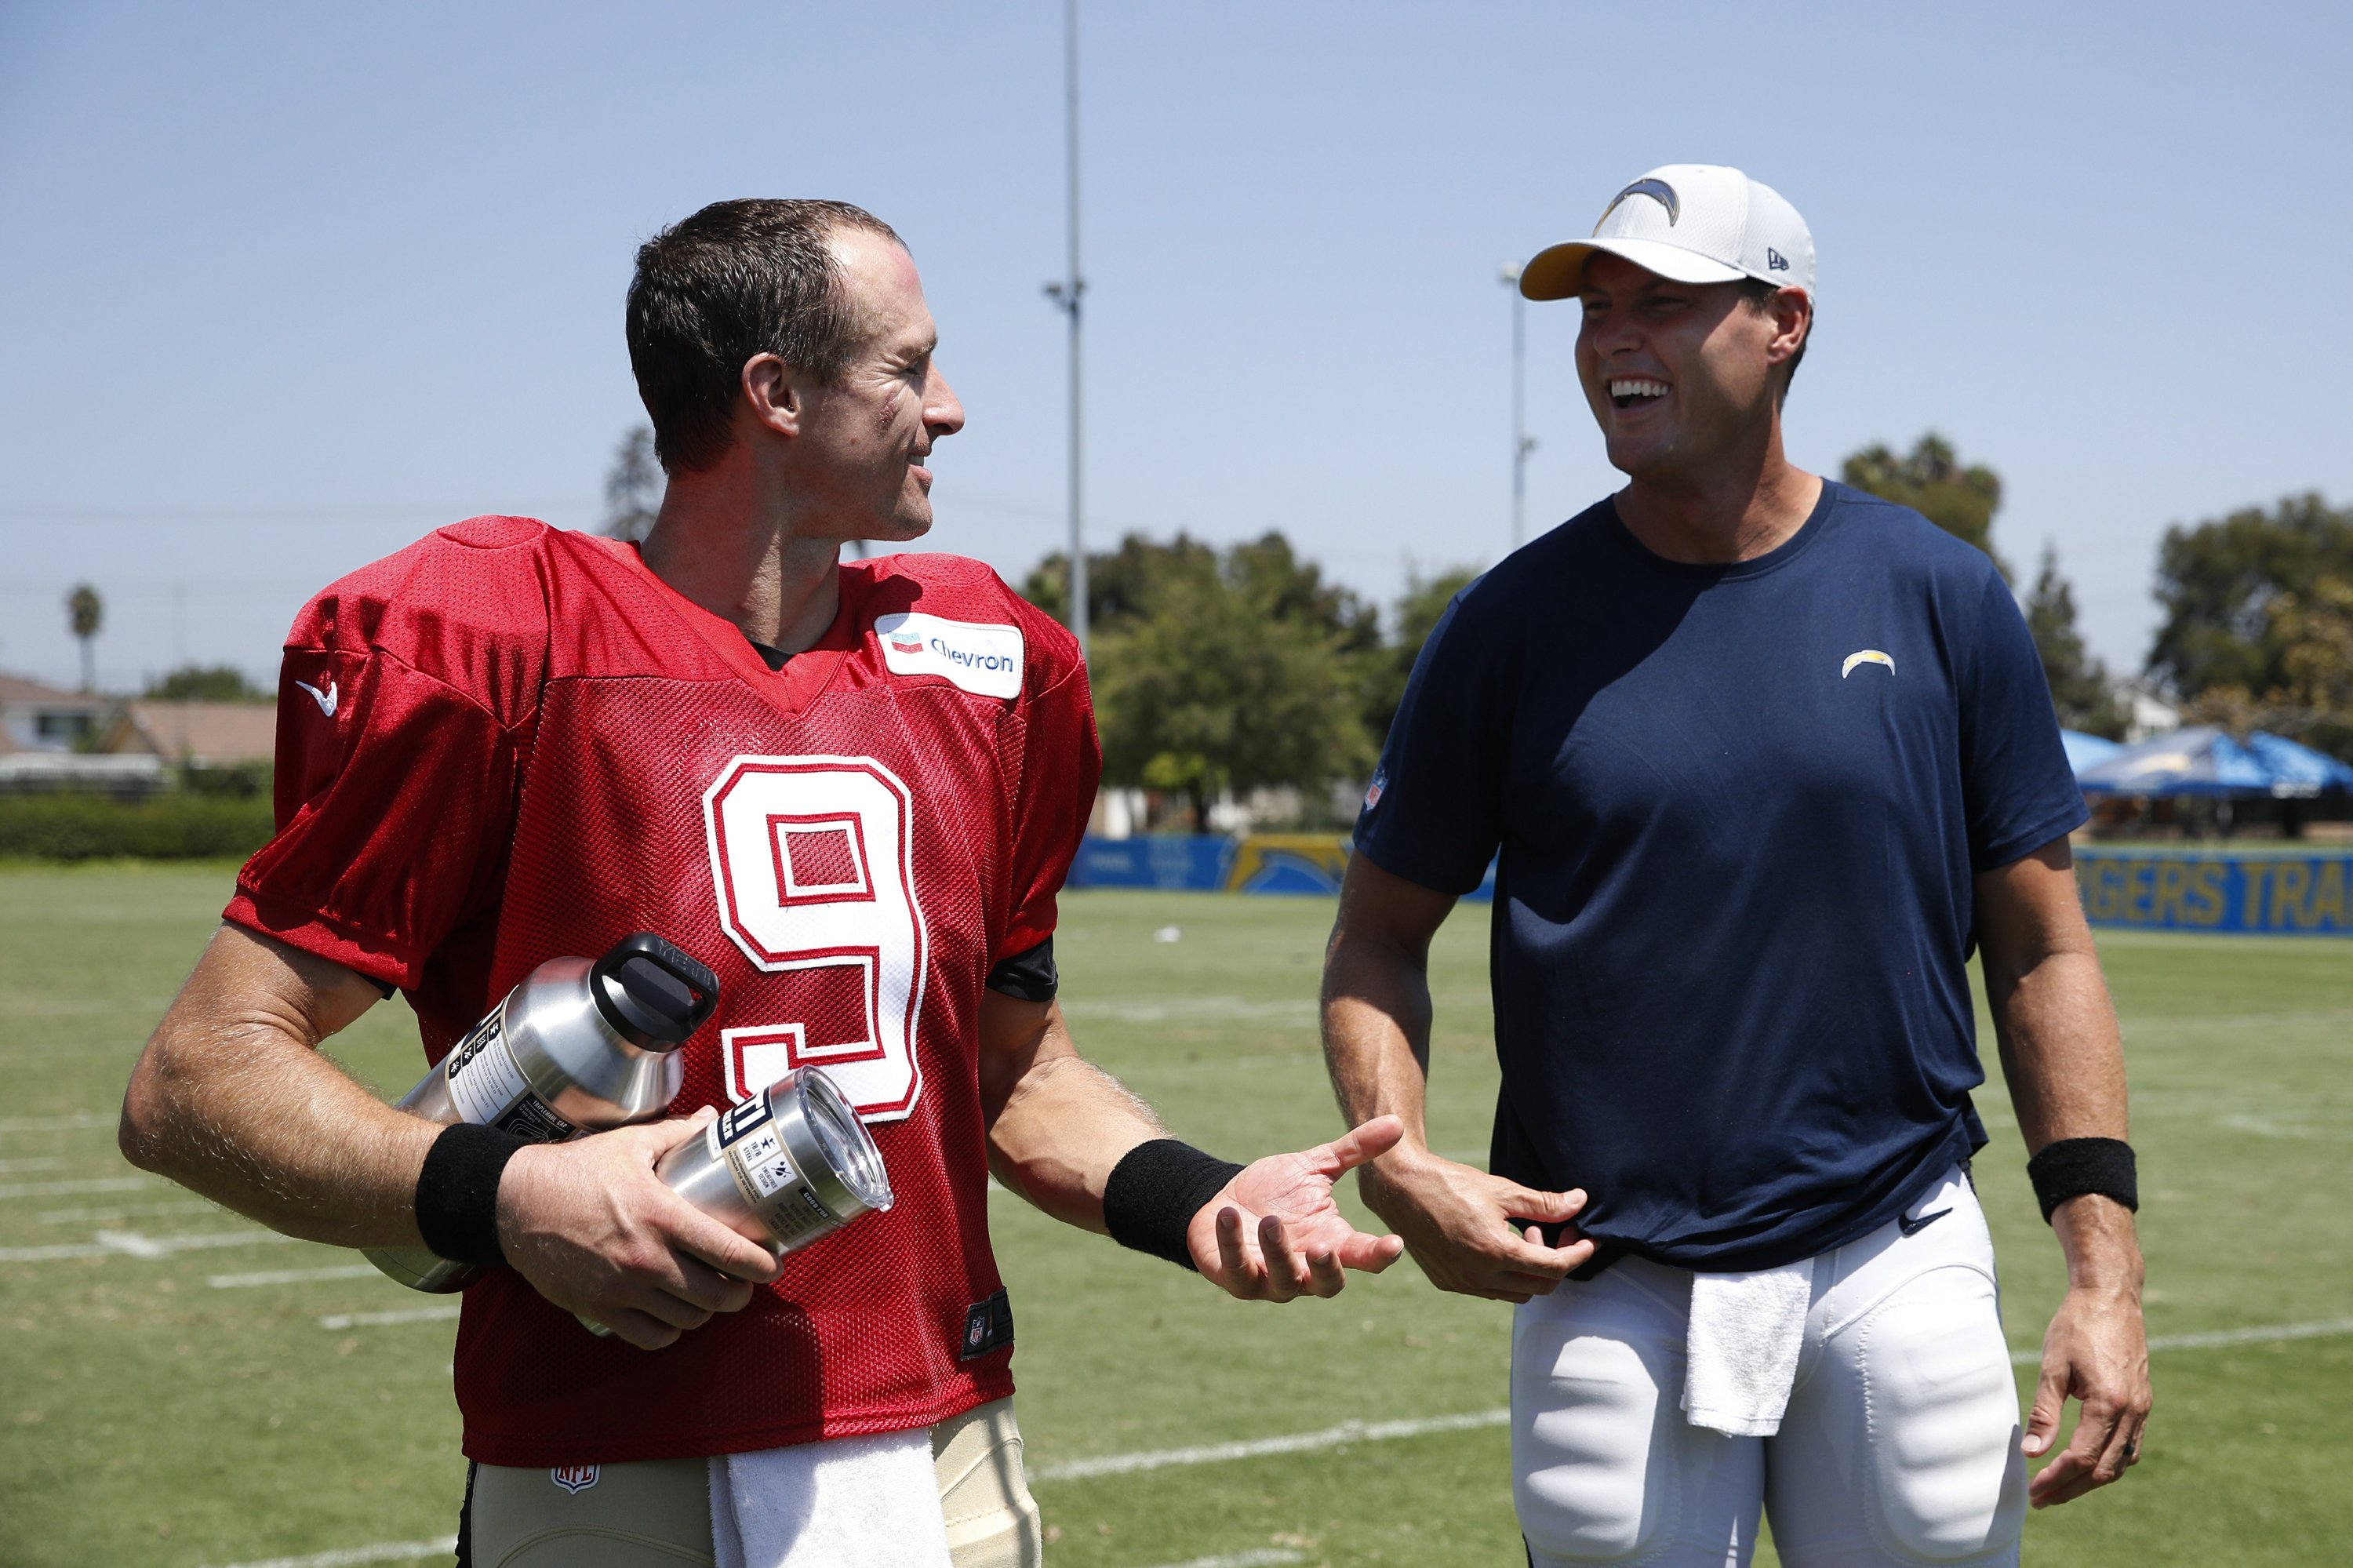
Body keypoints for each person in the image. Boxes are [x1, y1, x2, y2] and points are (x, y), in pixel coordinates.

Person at [119, 198, 1406, 1568]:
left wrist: (1202, 1196)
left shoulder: (988, 661)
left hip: (939, 1440)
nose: (952, 409)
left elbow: (1013, 1076)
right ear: (776, 394)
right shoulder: (500, 633)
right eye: (908, 368)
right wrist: (509, 1199)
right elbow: (197, 1078)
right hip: (607, 1455)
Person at [1320, 165, 2149, 1566]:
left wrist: (2104, 1268)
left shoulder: (1938, 595)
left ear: (1787, 324)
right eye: (1594, 311)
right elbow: (1376, 939)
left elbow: (2045, 949)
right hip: (1603, 1268)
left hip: (1897, 1244)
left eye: (1664, 302)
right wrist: (1400, 1164)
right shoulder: (1507, 626)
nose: (1612, 342)